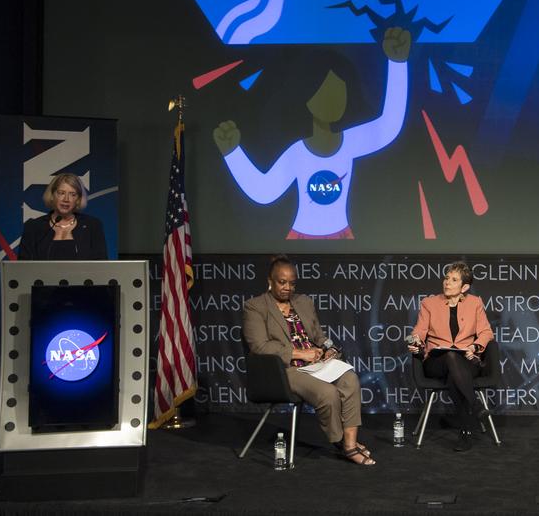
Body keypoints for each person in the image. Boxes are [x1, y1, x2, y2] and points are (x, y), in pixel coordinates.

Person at [212, 26, 411, 239]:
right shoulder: (298, 153)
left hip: (343, 235)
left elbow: (389, 125)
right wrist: (233, 154)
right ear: (306, 94)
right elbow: (264, 191)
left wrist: (397, 63)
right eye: (325, 91)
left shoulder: (351, 142)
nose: (333, 100)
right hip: (301, 236)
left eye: (339, 91)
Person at [243, 255, 375, 466]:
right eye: (282, 282)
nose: (288, 288)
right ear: (270, 280)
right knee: (327, 393)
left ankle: (350, 443)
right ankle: (343, 444)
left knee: (350, 380)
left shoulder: (303, 302)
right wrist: (300, 354)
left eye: (292, 283)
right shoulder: (256, 307)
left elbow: (318, 336)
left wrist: (327, 348)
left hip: (315, 365)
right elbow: (259, 346)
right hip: (284, 370)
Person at [408, 261, 495, 452]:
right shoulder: (429, 303)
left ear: (464, 287)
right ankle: (476, 407)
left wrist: (475, 346)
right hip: (436, 361)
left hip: (466, 360)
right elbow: (420, 330)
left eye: (454, 280)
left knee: (455, 372)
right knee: (450, 357)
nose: (447, 282)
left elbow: (486, 332)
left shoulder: (475, 303)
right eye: (446, 278)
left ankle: (465, 432)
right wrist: (416, 341)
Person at [17, 173, 108, 260]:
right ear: (52, 195)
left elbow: (101, 266)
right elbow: (23, 266)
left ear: (78, 200)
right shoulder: (33, 227)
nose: (66, 199)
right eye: (61, 193)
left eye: (73, 194)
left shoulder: (92, 226)